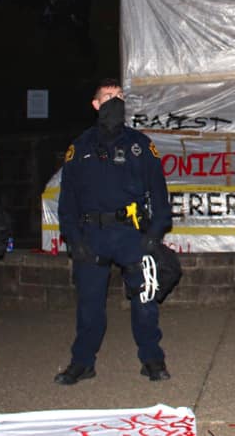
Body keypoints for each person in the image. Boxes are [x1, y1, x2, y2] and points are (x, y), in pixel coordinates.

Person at [54, 78, 173, 385]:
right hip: (92, 234)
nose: (116, 101)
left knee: (144, 300)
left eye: (120, 95)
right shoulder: (80, 147)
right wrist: (73, 239)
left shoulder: (140, 145)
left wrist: (154, 234)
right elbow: (67, 201)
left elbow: (159, 194)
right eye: (108, 97)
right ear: (96, 105)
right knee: (89, 305)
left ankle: (152, 359)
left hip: (130, 233)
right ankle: (82, 362)